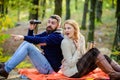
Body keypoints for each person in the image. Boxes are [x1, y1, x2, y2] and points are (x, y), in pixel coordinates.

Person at [0, 15, 64, 79]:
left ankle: (6, 69)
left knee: (28, 45)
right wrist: (30, 30)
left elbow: (41, 40)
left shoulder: (57, 36)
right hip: (45, 64)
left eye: (53, 23)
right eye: (49, 22)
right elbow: (32, 39)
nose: (49, 24)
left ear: (58, 26)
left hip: (50, 69)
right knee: (27, 42)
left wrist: (23, 37)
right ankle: (6, 65)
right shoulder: (48, 33)